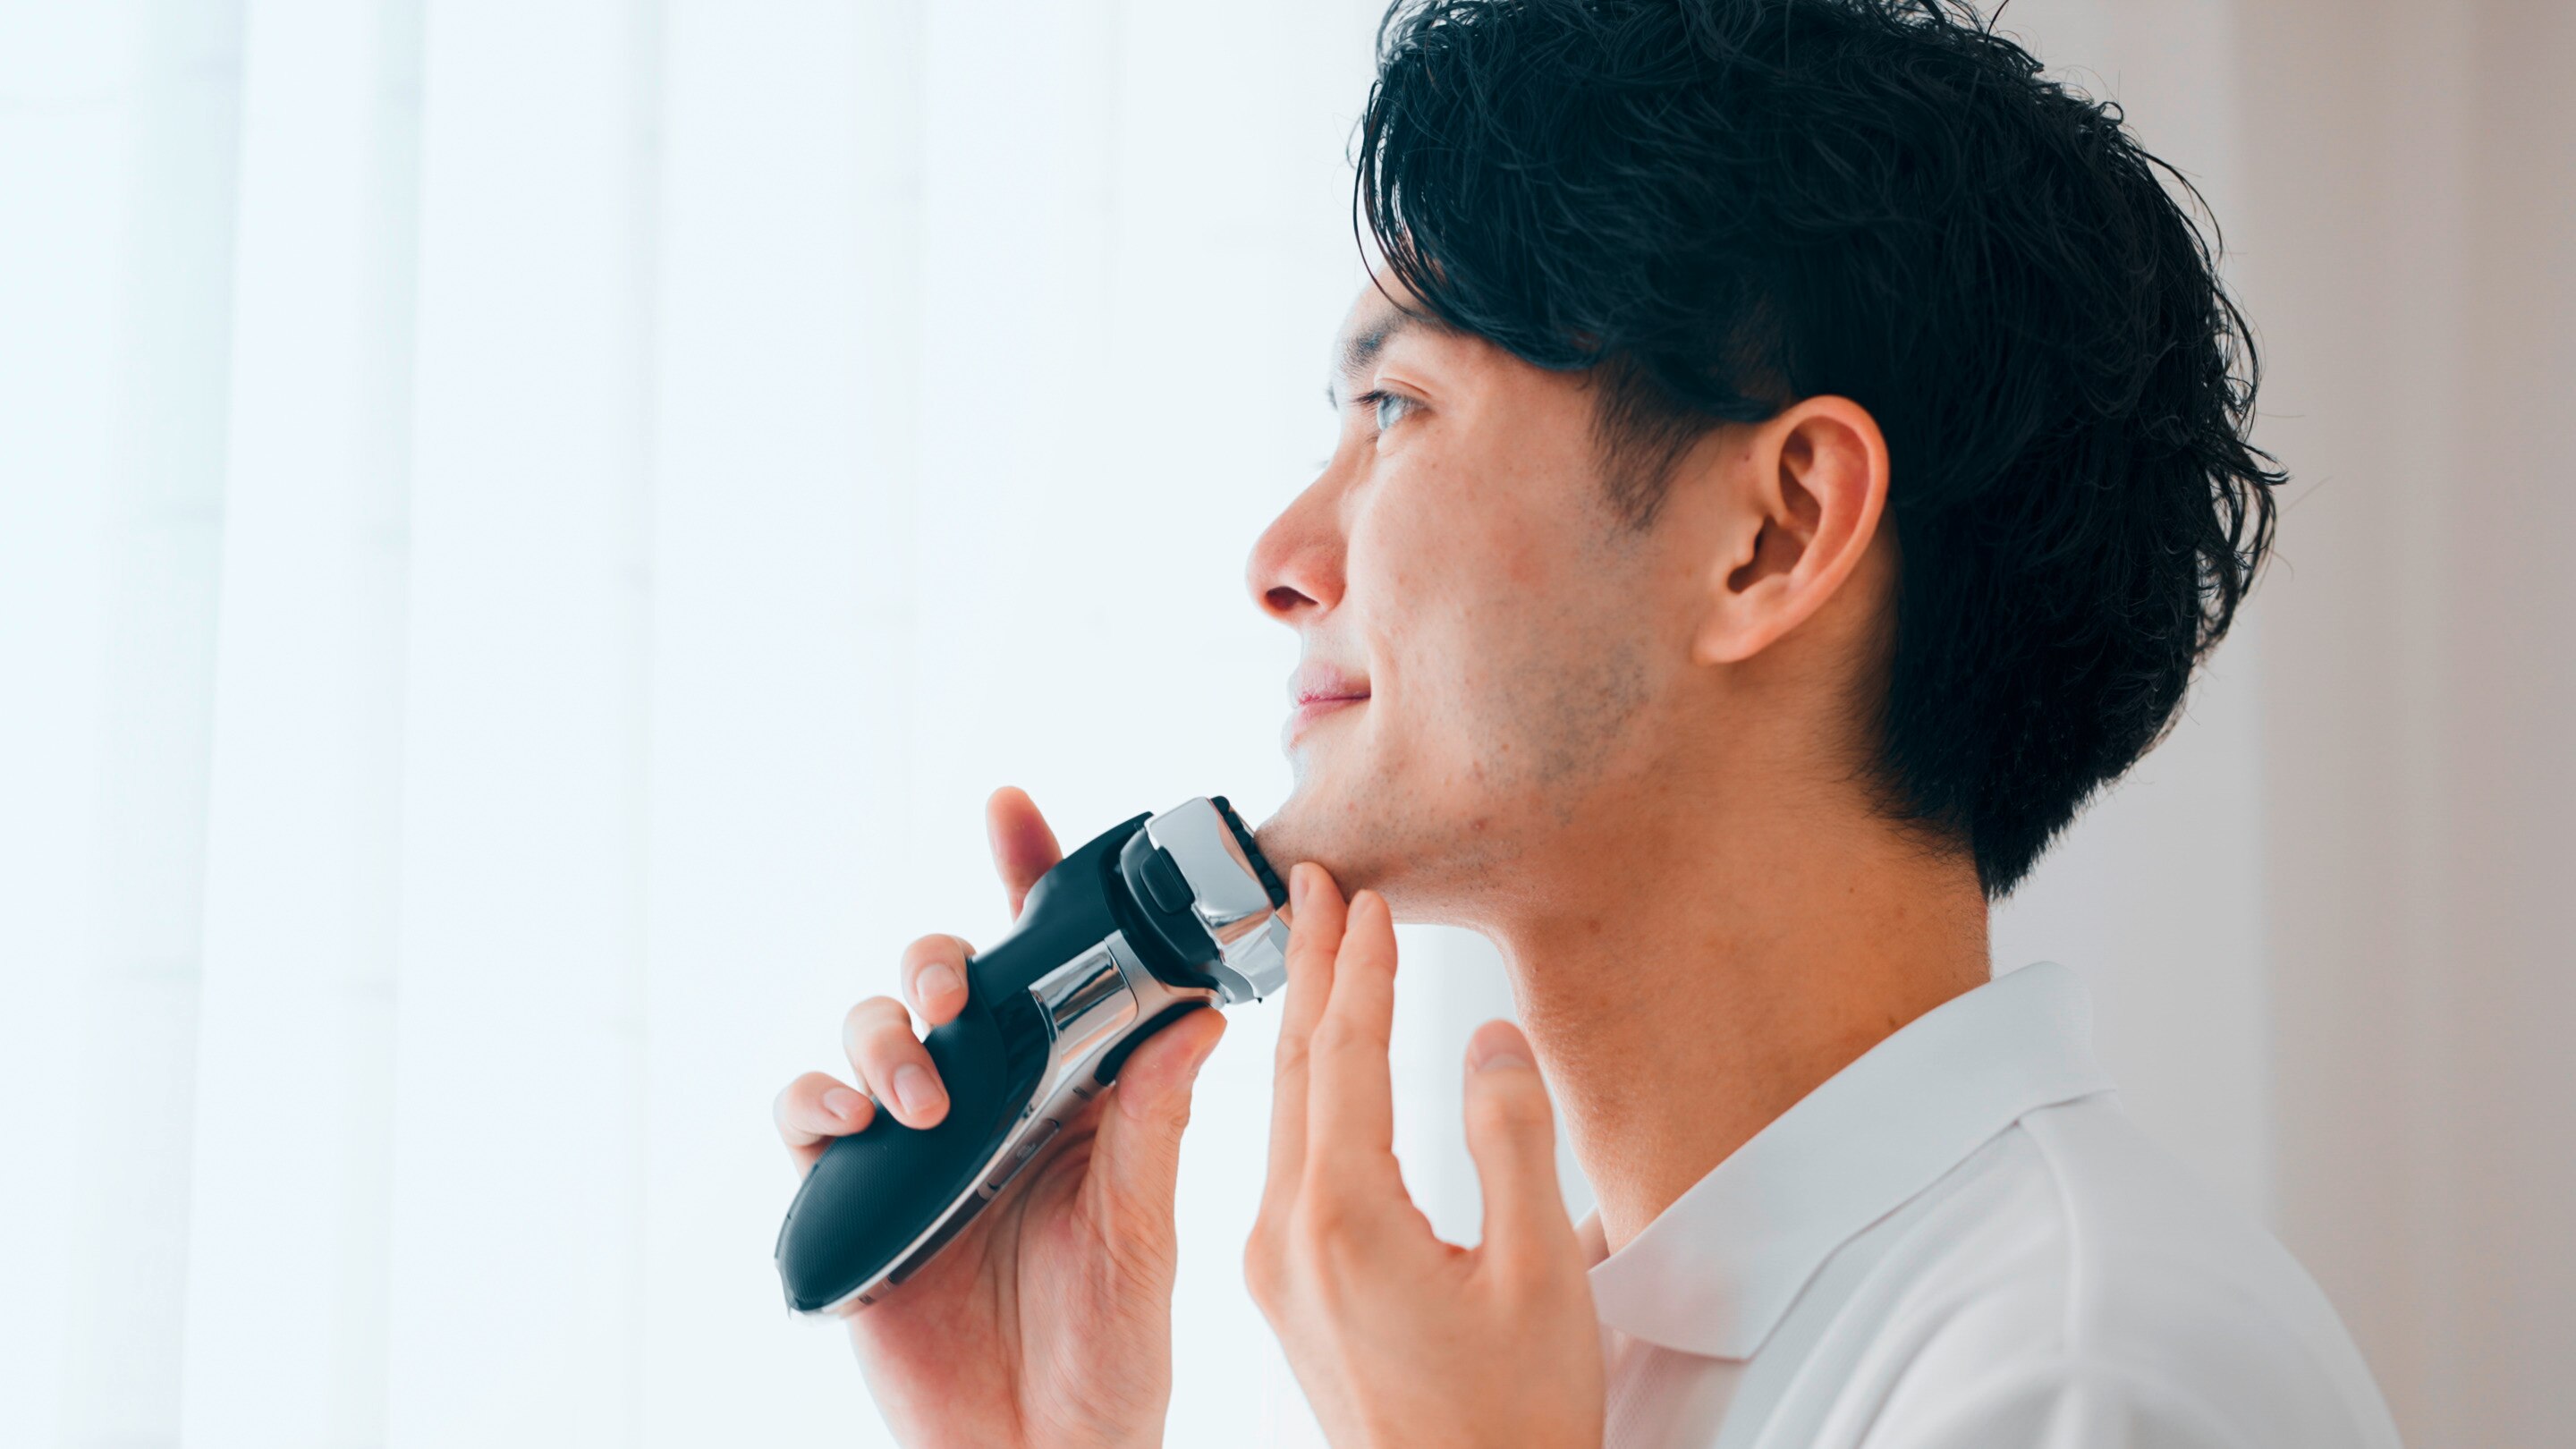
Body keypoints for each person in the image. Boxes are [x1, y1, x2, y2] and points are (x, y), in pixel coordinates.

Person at [775, 1, 2402, 1444]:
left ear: (1771, 533)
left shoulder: (2087, 1384)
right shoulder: (1544, 1371)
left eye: (1396, 407)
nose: (1279, 560)